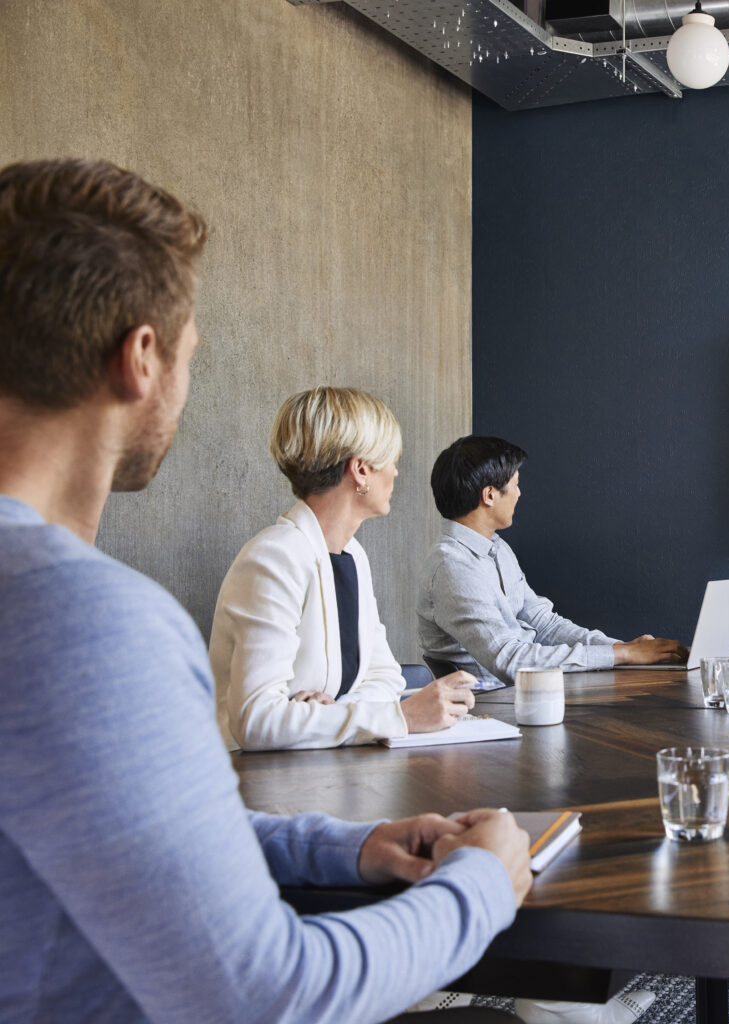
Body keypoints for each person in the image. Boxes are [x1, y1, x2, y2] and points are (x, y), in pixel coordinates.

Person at [0, 157, 528, 1023]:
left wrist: (348, 845)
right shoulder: (82, 621)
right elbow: (267, 996)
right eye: (190, 355)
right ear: (141, 359)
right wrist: (482, 884)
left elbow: (148, 833)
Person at [209, 387, 479, 751]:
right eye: (391, 459)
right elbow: (256, 721)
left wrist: (335, 713)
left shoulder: (352, 555)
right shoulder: (275, 557)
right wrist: (400, 717)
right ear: (361, 470)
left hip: (315, 768)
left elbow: (385, 677)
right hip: (250, 774)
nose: (396, 471)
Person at [418, 435, 685, 684]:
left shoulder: (497, 548)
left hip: (527, 693)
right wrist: (622, 655)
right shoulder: (452, 567)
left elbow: (544, 625)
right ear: (490, 495)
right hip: (493, 704)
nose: (519, 494)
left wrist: (621, 648)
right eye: (515, 485)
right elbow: (510, 661)